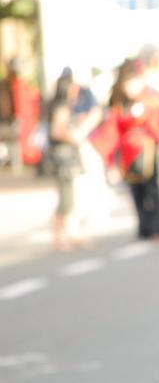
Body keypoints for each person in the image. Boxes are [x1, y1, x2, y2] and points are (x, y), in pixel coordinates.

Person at [96, 59, 159, 241]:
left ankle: (158, 228)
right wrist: (111, 157)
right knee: (135, 192)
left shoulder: (151, 101)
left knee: (152, 190)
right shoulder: (121, 104)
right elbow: (114, 129)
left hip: (148, 150)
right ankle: (143, 228)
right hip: (128, 153)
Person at [47, 69, 85, 250]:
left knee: (69, 197)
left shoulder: (61, 106)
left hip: (63, 156)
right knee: (66, 198)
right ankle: (59, 237)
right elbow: (57, 131)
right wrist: (75, 136)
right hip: (63, 158)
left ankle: (69, 234)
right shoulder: (61, 107)